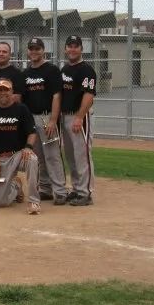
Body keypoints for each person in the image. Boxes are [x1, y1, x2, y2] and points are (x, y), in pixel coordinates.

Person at [0, 78, 41, 214]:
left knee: (32, 159)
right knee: (0, 203)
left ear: (12, 91)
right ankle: (16, 185)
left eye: (6, 89)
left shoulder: (21, 109)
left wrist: (28, 147)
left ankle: (34, 201)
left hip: (18, 154)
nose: (3, 93)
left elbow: (32, 133)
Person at [22, 37, 68, 205]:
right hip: (31, 118)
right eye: (31, 48)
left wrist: (53, 120)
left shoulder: (51, 70)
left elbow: (57, 95)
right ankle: (46, 189)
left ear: (43, 50)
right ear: (28, 51)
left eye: (37, 48)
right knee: (39, 156)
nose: (34, 52)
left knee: (52, 155)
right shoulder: (26, 73)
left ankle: (60, 191)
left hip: (46, 116)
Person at [61, 35, 96, 207]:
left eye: (76, 46)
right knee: (71, 155)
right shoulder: (65, 69)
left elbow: (89, 95)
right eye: (70, 46)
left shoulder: (86, 70)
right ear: (65, 49)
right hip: (65, 116)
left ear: (81, 49)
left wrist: (80, 117)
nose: (73, 49)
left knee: (82, 155)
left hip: (78, 116)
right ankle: (76, 188)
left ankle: (85, 192)